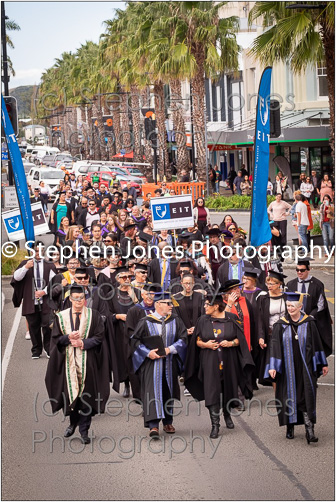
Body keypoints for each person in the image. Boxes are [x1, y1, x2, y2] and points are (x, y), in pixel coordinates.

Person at [45, 284, 110, 445]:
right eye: (75, 298)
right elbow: (55, 339)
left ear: (85, 299)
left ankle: (84, 430)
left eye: (81, 298)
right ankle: (73, 422)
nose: (78, 301)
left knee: (86, 396)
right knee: (71, 396)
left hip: (88, 362)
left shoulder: (94, 316)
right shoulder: (61, 317)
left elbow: (99, 337)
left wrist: (83, 342)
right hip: (68, 362)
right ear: (70, 299)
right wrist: (67, 338)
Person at [184, 292, 254, 438]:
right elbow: (196, 341)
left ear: (216, 306)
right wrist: (205, 344)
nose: (204, 306)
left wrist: (231, 343)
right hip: (209, 360)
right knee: (212, 391)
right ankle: (215, 424)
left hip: (229, 360)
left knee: (228, 388)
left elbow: (240, 340)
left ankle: (227, 415)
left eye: (207, 304)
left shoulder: (231, 319)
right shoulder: (202, 320)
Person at [267, 292, 328, 444]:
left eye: (293, 306)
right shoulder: (280, 325)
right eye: (288, 306)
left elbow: (317, 344)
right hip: (287, 368)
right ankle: (290, 426)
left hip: (305, 367)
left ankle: (309, 430)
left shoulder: (309, 322)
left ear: (300, 307)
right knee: (288, 396)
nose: (290, 308)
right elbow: (274, 345)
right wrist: (273, 366)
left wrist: (323, 363)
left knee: (306, 395)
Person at [130, 291, 187, 438]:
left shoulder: (175, 320)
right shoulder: (146, 321)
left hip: (169, 362)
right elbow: (135, 341)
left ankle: (168, 421)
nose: (171, 306)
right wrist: (148, 353)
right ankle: (153, 425)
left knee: (168, 390)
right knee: (151, 392)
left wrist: (170, 349)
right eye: (167, 303)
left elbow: (183, 338)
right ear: (157, 304)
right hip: (151, 363)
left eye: (171, 303)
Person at [11, 241, 57, 358]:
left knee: (47, 326)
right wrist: (26, 267)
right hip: (30, 301)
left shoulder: (49, 265)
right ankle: (36, 350)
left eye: (41, 251)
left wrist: (44, 292)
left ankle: (48, 348)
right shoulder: (25, 263)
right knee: (33, 326)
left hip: (45, 300)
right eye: (36, 251)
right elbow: (16, 278)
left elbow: (54, 282)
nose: (38, 253)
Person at [286, 259, 332, 358]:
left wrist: (309, 317)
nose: (299, 272)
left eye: (302, 270)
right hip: (295, 321)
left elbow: (321, 305)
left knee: (310, 350)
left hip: (311, 321)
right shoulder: (291, 284)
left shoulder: (317, 284)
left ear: (308, 269)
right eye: (297, 270)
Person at [257, 271, 287, 387]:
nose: (269, 286)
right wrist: (260, 336)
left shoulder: (286, 297)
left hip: (285, 335)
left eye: (272, 284)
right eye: (267, 283)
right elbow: (260, 319)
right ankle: (278, 397)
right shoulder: (263, 298)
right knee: (273, 366)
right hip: (271, 336)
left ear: (279, 284)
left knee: (285, 365)